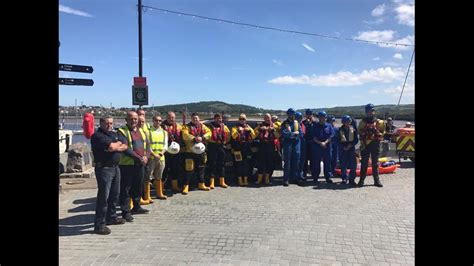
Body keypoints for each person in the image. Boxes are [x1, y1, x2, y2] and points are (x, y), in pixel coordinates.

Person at [91, 115, 128, 235]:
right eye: (107, 123)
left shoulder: (113, 134)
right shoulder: (98, 136)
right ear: (101, 123)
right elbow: (112, 147)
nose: (110, 125)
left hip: (115, 167)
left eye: (111, 123)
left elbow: (125, 144)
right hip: (104, 169)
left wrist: (117, 146)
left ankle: (111, 217)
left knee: (114, 195)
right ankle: (99, 225)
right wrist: (117, 146)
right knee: (103, 197)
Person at [117, 111, 150, 219]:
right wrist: (140, 158)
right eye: (131, 118)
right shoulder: (122, 131)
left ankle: (136, 206)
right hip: (127, 165)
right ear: (126, 120)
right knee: (126, 189)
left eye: (135, 119)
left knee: (138, 186)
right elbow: (125, 148)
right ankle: (126, 212)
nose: (134, 121)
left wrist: (146, 157)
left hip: (140, 164)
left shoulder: (141, 131)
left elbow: (148, 146)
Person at [181, 113, 212, 194]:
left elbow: (209, 133)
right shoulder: (186, 127)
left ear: (199, 119)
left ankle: (201, 184)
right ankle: (186, 186)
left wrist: (203, 137)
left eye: (197, 118)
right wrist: (194, 138)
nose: (195, 120)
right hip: (190, 151)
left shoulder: (203, 126)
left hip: (201, 151)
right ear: (191, 119)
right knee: (188, 169)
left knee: (201, 168)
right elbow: (185, 135)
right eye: (193, 118)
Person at [358, 104, 385, 187]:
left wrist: (376, 132)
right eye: (369, 111)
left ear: (374, 112)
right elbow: (359, 132)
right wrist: (365, 132)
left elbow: (383, 133)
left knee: (375, 163)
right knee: (364, 163)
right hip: (365, 145)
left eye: (372, 111)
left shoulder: (379, 122)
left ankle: (376, 181)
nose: (371, 113)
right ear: (366, 112)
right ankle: (361, 180)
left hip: (375, 144)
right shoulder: (362, 122)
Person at [146, 115, 168, 200]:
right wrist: (154, 155)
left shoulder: (164, 132)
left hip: (161, 158)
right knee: (148, 176)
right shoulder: (148, 132)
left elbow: (165, 145)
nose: (158, 122)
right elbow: (147, 146)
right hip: (151, 157)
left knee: (159, 176)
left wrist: (160, 154)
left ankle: (159, 193)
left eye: (159, 120)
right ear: (153, 120)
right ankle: (147, 195)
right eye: (156, 120)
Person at [231, 113, 256, 186]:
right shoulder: (235, 127)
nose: (242, 120)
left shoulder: (248, 127)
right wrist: (238, 131)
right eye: (240, 119)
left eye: (243, 119)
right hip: (237, 149)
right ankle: (239, 180)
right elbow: (233, 136)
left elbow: (254, 136)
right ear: (239, 120)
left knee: (245, 165)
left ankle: (245, 180)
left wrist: (249, 131)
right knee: (238, 164)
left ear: (245, 120)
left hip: (246, 148)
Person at [206, 113, 231, 189]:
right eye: (217, 118)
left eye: (220, 118)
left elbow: (228, 136)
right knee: (212, 164)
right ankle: (212, 182)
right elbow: (207, 136)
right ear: (214, 119)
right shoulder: (209, 126)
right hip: (212, 146)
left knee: (221, 164)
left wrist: (224, 142)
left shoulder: (225, 127)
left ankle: (222, 181)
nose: (218, 120)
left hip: (221, 146)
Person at [254, 113, 279, 185]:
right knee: (261, 163)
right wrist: (259, 129)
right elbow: (254, 133)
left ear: (271, 118)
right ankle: (259, 179)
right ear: (264, 118)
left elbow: (278, 136)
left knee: (269, 163)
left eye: (268, 117)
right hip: (262, 145)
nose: (267, 119)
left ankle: (267, 179)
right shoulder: (260, 125)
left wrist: (273, 130)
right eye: (265, 118)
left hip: (270, 146)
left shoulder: (274, 125)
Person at [280, 108, 303, 186]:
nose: (292, 116)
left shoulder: (297, 123)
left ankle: (295, 178)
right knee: (287, 161)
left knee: (296, 161)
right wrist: (292, 134)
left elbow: (301, 134)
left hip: (296, 143)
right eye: (290, 114)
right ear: (288, 115)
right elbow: (283, 133)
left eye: (293, 114)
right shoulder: (284, 123)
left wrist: (298, 134)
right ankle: (286, 179)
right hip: (288, 144)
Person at [162, 112, 184, 193]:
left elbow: (182, 137)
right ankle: (161, 187)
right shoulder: (162, 126)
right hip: (165, 151)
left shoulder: (179, 126)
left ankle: (174, 186)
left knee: (175, 169)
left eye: (173, 117)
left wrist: (179, 144)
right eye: (170, 117)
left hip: (176, 151)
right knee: (164, 169)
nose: (171, 119)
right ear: (166, 117)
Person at [311, 111, 334, 185]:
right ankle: (315, 178)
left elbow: (331, 136)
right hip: (317, 147)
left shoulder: (329, 126)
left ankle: (328, 178)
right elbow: (313, 137)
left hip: (326, 147)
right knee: (316, 163)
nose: (322, 119)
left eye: (324, 117)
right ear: (318, 118)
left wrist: (325, 142)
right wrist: (320, 143)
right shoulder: (315, 126)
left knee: (327, 163)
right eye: (321, 117)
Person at [338, 115, 358, 186]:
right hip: (343, 150)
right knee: (343, 164)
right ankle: (344, 178)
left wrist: (350, 145)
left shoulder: (354, 130)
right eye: (346, 121)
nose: (347, 123)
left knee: (353, 165)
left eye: (349, 121)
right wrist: (343, 147)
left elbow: (356, 140)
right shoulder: (339, 130)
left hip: (351, 149)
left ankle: (351, 179)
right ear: (343, 122)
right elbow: (337, 141)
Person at [138, 115, 153, 205]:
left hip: (145, 159)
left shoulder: (144, 132)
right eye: (139, 121)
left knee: (144, 179)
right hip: (135, 160)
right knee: (136, 181)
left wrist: (146, 156)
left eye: (143, 122)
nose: (141, 123)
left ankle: (143, 197)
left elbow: (148, 146)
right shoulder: (132, 131)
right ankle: (135, 201)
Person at [302, 109, 314, 178]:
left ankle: (313, 174)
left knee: (313, 160)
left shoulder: (315, 123)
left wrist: (312, 122)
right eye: (307, 114)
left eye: (310, 114)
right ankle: (304, 174)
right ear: (305, 115)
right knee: (305, 160)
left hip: (313, 143)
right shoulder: (303, 122)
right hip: (305, 143)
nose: (309, 116)